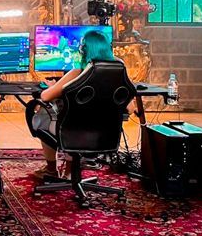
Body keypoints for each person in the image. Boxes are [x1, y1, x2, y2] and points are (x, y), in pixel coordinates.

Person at [25, 30, 129, 179]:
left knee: (44, 113)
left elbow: (45, 96)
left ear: (83, 49)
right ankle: (69, 172)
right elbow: (130, 108)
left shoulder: (78, 71)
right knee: (73, 120)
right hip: (105, 134)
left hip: (72, 132)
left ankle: (51, 169)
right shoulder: (119, 72)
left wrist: (55, 86)